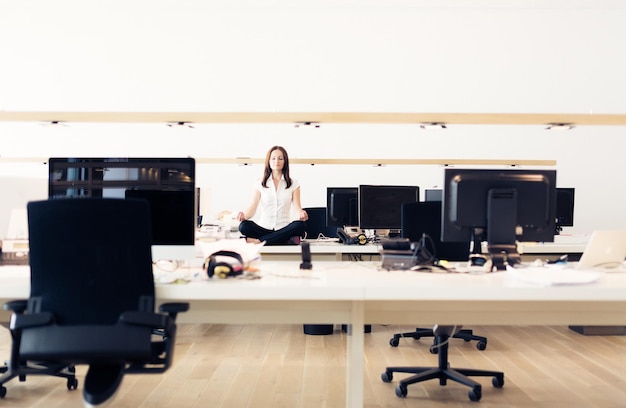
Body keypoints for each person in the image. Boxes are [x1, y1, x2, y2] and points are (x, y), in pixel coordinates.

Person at [237, 146, 308, 245]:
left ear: (285, 161)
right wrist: (244, 215)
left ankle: (259, 241)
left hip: (284, 228)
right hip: (264, 228)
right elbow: (252, 207)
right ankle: (279, 239)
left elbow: (297, 208)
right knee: (243, 226)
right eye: (273, 158)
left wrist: (301, 214)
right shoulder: (259, 183)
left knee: (300, 226)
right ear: (269, 161)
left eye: (280, 158)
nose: (276, 161)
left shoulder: (294, 183)